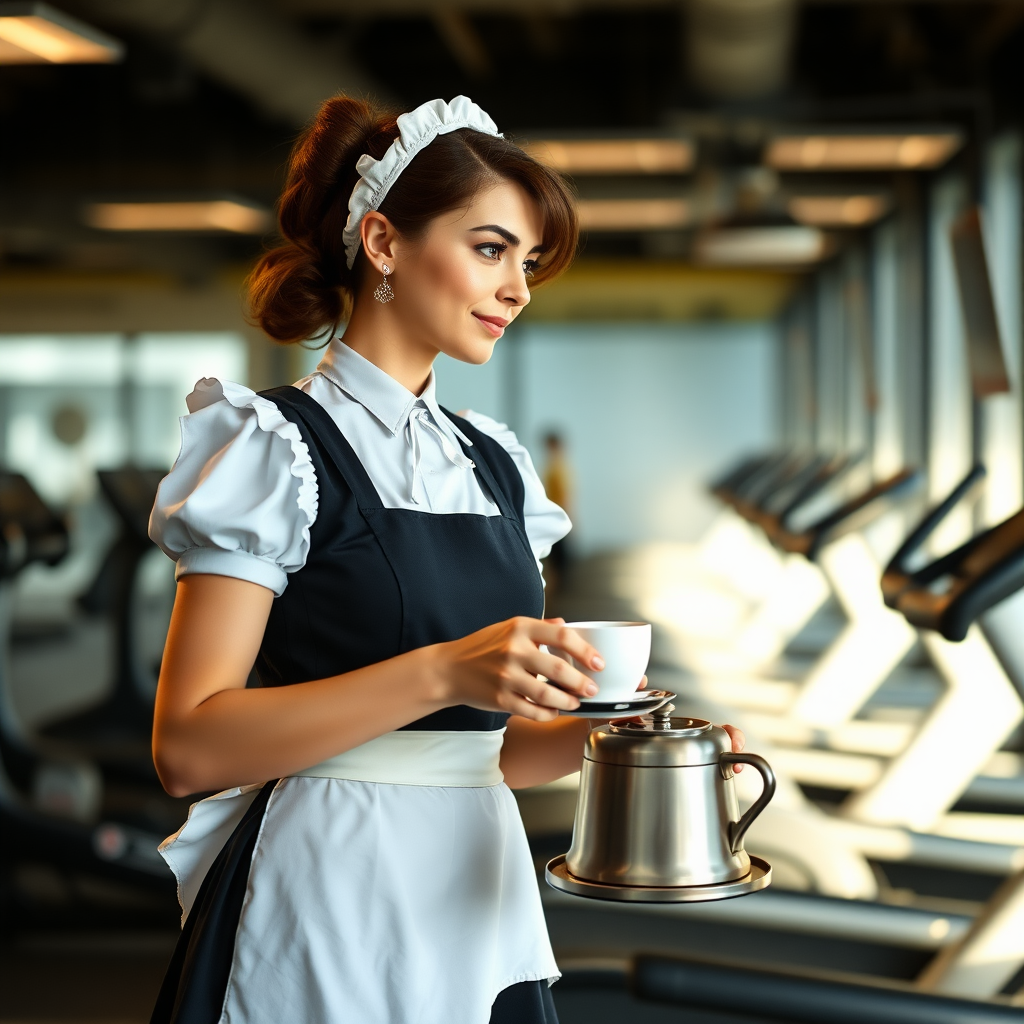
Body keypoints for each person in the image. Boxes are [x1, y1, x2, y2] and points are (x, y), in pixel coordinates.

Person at [146, 94, 746, 1024]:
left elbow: (490, 753)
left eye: (528, 262)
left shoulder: (494, 463)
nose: (518, 288)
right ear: (383, 244)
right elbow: (187, 747)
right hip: (331, 889)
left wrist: (626, 746)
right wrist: (443, 670)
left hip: (480, 887)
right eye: (491, 248)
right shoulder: (274, 446)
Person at [541, 431, 573, 592]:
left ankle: (556, 596)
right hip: (557, 517)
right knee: (556, 564)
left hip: (558, 518)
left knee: (557, 564)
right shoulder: (557, 466)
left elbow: (564, 497)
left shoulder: (556, 467)